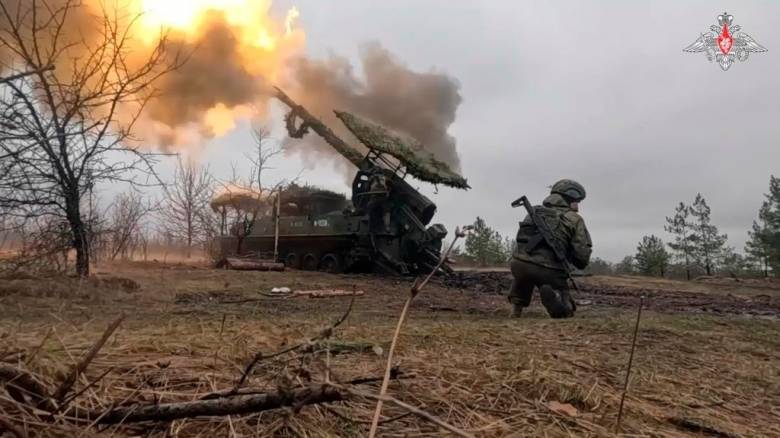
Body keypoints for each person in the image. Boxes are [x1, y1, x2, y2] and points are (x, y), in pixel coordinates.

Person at [508, 179, 592, 318]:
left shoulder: (534, 211)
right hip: (549, 270)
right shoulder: (574, 218)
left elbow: (522, 238)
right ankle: (557, 299)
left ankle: (516, 308)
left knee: (524, 275)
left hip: (519, 264)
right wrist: (578, 263)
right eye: (578, 201)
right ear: (570, 198)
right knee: (563, 301)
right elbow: (581, 251)